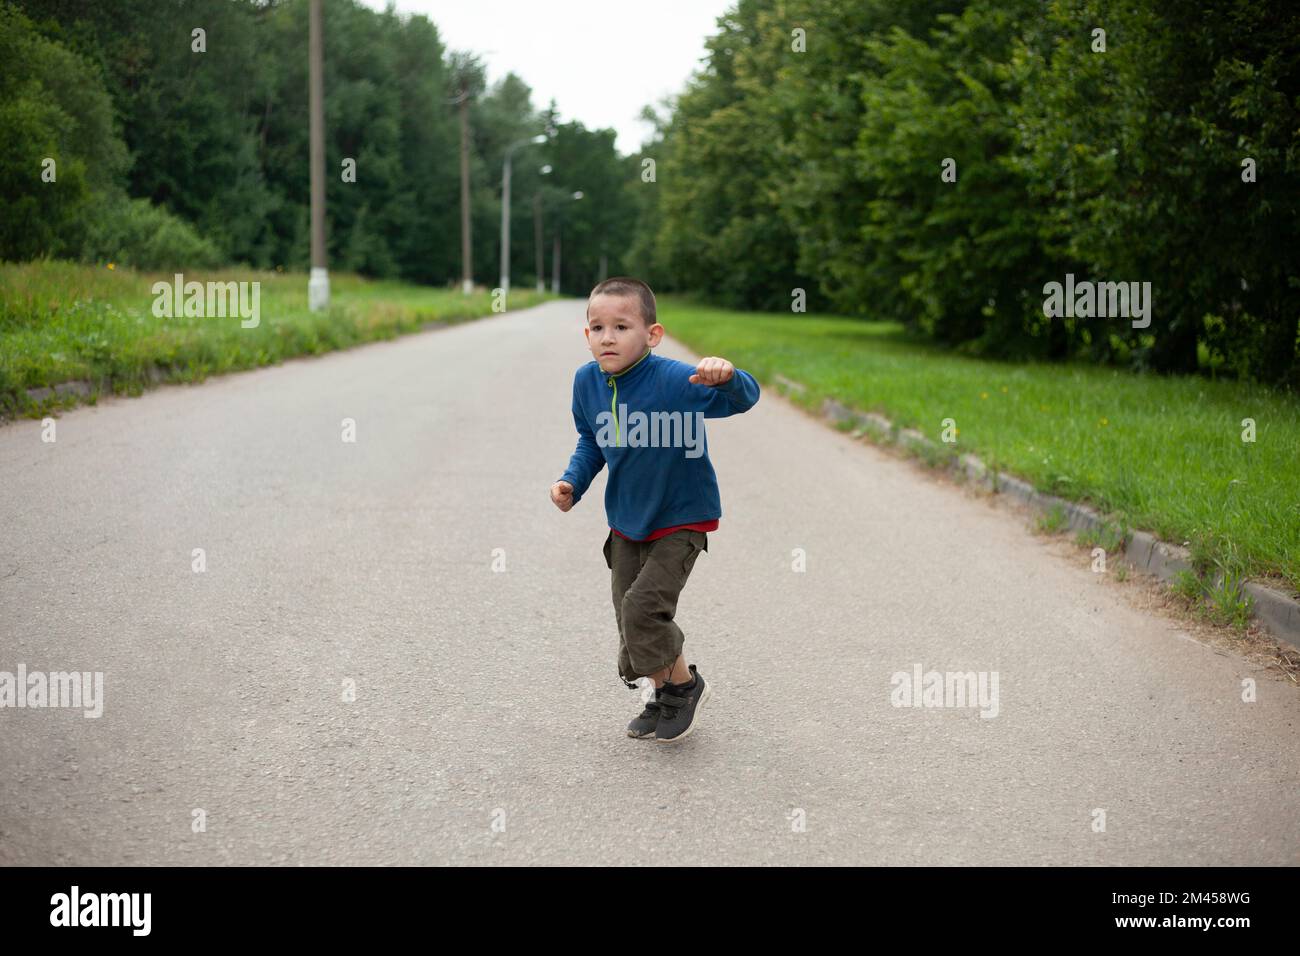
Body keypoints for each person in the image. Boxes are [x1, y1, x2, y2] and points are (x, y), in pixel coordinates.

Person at [550, 277, 760, 742]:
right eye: (597, 327)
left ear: (652, 334)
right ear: (586, 334)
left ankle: (684, 685)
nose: (608, 337)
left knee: (643, 609)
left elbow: (742, 400)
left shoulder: (673, 380)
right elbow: (592, 440)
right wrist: (573, 482)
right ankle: (663, 692)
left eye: (622, 326)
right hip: (627, 519)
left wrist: (729, 377)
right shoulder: (586, 382)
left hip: (681, 517)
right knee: (627, 614)